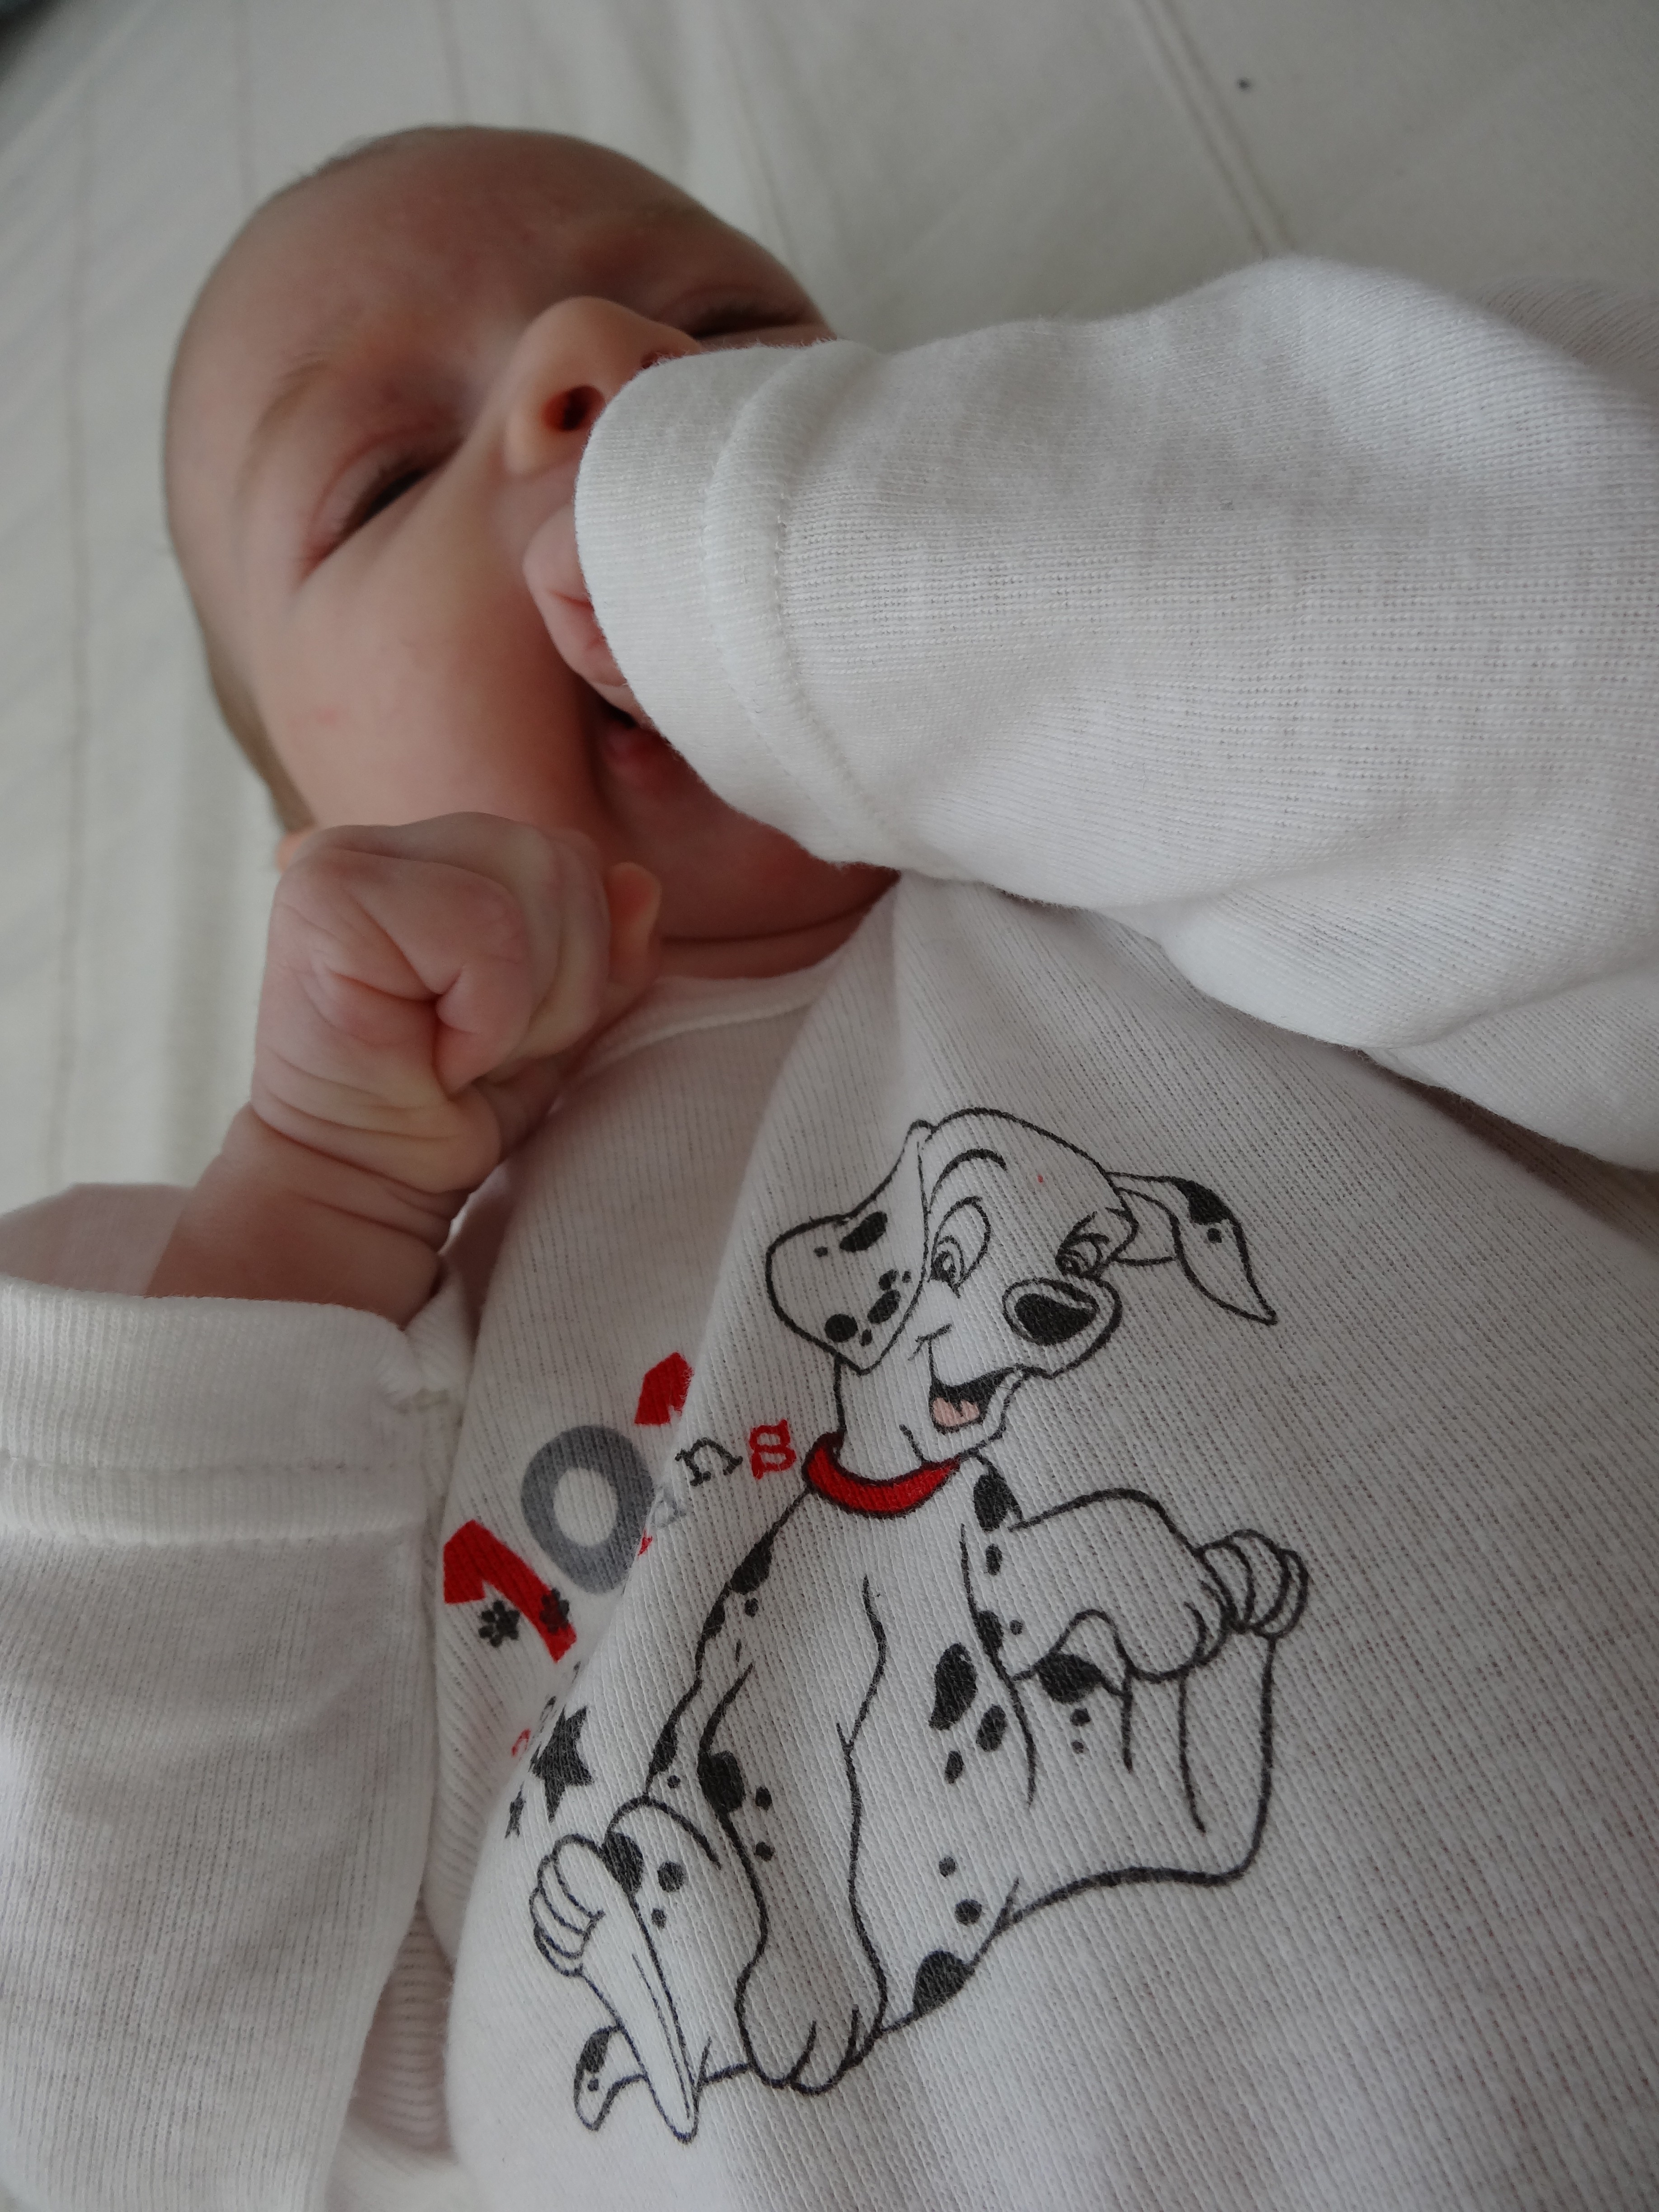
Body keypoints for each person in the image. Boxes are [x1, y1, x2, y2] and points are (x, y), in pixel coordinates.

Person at [0, 122, 1656, 2212]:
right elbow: (94, 2105)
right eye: (389, 479)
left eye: (726, 330)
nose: (594, 365)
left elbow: (1587, 626)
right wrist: (310, 1218)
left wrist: (806, 555)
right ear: (308, 829)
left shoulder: (1200, 841)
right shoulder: (290, 1387)